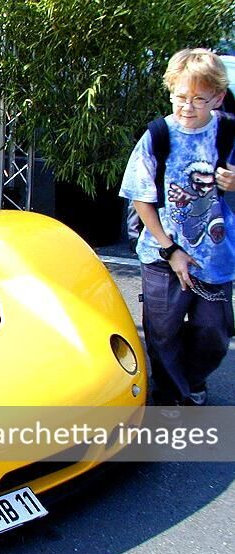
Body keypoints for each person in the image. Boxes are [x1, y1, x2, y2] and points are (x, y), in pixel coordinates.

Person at [120, 48, 235, 406]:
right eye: (180, 98)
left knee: (214, 332)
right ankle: (172, 393)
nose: (187, 107)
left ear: (217, 97)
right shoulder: (158, 135)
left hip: (214, 257)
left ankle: (191, 379)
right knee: (162, 331)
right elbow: (140, 196)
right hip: (162, 250)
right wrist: (170, 250)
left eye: (198, 99)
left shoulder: (229, 133)